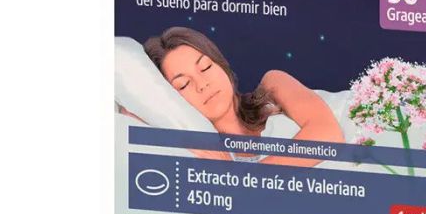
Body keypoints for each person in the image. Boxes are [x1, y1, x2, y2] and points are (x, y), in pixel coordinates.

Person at [142, 26, 344, 167]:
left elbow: (328, 135)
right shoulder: (203, 153)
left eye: (205, 67)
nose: (203, 84)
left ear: (221, 64)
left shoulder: (273, 85)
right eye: (184, 84)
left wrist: (241, 178)